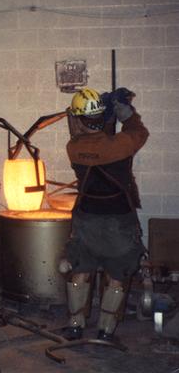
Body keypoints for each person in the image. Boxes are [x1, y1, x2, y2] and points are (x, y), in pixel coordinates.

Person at [62, 87, 149, 342]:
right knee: (116, 275)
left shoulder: (73, 148)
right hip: (118, 223)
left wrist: (104, 116)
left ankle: (76, 324)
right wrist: (125, 114)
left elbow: (89, 140)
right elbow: (139, 133)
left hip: (86, 221)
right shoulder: (120, 145)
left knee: (80, 271)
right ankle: (106, 331)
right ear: (102, 117)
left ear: (78, 119)